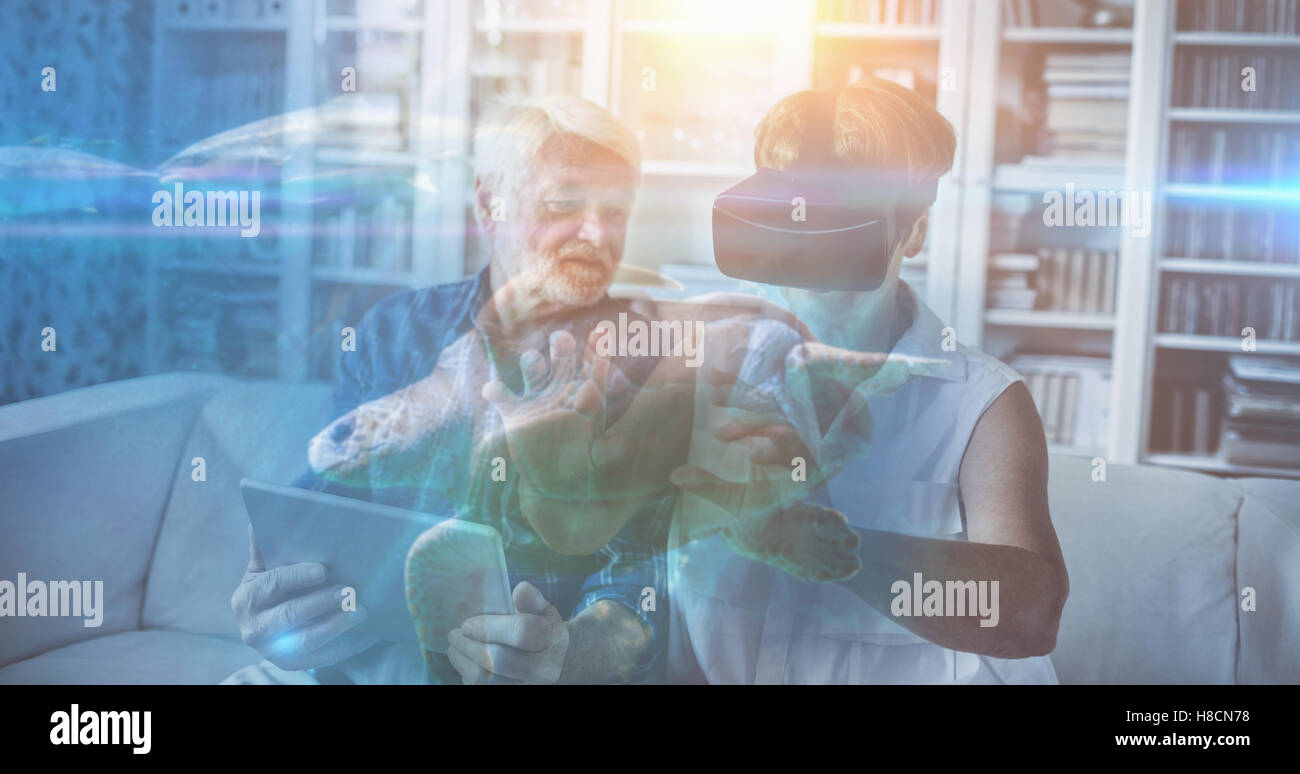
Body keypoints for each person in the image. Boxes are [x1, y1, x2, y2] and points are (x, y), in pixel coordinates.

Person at [227, 96, 670, 685]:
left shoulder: (651, 360)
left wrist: (569, 657)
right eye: (566, 203)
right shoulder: (393, 331)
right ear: (491, 206)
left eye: (617, 211)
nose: (597, 233)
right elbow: (325, 506)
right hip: (368, 662)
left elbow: (644, 585)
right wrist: (279, 609)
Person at [667, 78, 1071, 684]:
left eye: (843, 223)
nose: (810, 244)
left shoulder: (982, 403)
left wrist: (834, 549)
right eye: (793, 214)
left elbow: (1030, 615)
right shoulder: (695, 364)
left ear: (913, 232)